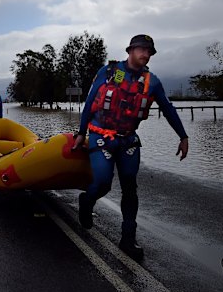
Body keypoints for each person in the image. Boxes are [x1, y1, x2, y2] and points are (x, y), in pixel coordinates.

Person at [72, 34, 189, 261]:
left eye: (149, 51)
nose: (145, 54)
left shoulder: (152, 82)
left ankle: (128, 238)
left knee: (129, 186)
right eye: (141, 50)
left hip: (128, 140)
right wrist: (80, 133)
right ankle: (87, 201)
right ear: (130, 50)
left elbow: (168, 109)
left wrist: (183, 136)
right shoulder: (108, 72)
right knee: (104, 182)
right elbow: (89, 103)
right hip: (101, 135)